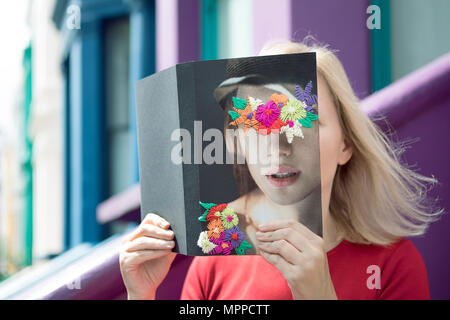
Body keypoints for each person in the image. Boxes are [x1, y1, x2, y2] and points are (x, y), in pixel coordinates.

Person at [119, 40, 442, 300]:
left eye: (303, 121)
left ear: (346, 145)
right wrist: (141, 294)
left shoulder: (392, 262)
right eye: (257, 124)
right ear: (236, 144)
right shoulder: (216, 256)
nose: (278, 146)